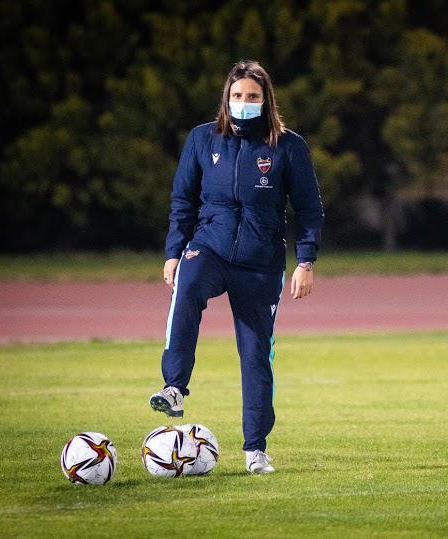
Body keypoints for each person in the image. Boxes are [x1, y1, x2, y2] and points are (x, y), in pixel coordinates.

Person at [149, 60, 324, 475]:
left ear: (266, 101)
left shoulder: (288, 146)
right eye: (237, 96)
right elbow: (182, 201)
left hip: (260, 263)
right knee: (187, 285)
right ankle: (174, 387)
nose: (244, 103)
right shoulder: (200, 140)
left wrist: (306, 261)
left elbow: (310, 209)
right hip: (209, 247)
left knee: (254, 355)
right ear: (226, 100)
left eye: (252, 97)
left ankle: (255, 449)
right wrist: (175, 252)